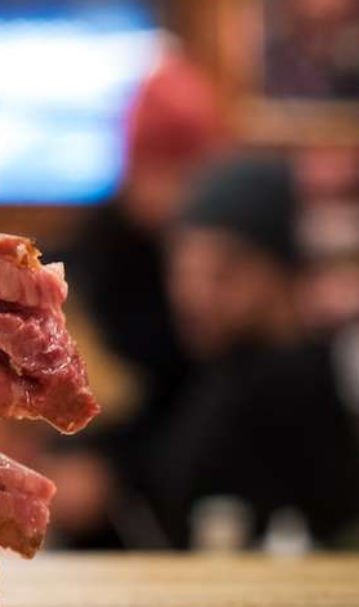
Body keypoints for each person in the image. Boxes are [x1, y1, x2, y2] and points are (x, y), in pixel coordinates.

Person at [38, 55, 224, 547]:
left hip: (175, 519)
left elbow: (203, 406)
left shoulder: (213, 266)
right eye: (160, 164)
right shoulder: (80, 265)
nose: (175, 187)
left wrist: (116, 472)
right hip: (91, 539)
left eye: (188, 168)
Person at [151, 154, 359, 549]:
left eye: (223, 272)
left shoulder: (289, 382)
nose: (195, 296)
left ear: (282, 272)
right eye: (184, 272)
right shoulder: (224, 365)